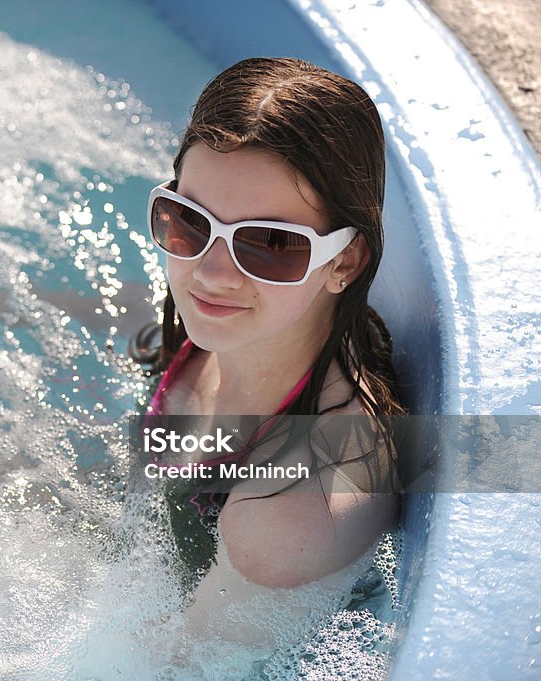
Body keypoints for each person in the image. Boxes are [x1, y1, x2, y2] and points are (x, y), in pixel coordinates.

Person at [136, 57, 406, 668]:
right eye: (187, 222)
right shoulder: (234, 324)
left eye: (271, 244)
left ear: (346, 262)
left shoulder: (288, 518)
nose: (209, 272)